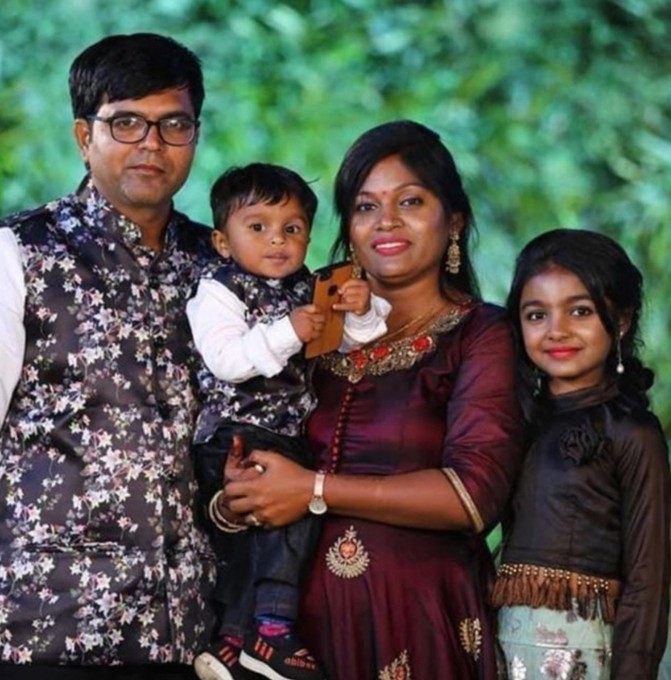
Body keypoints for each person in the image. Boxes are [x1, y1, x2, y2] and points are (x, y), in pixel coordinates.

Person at [0, 33, 217, 680]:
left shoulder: (218, 267)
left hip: (186, 634)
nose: (152, 144)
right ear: (85, 136)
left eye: (174, 125)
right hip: (40, 633)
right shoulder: (17, 254)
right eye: (126, 123)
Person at [214, 120, 525, 679]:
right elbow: (245, 443)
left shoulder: (479, 333)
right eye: (365, 207)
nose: (386, 221)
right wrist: (237, 501)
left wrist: (311, 490)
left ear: (454, 220)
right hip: (288, 642)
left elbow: (474, 496)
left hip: (417, 621)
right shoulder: (304, 327)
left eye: (410, 201)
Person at [186, 162, 389, 680]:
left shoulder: (307, 288)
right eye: (258, 227)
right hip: (233, 433)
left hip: (284, 435)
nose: (277, 240)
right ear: (223, 241)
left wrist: (360, 311)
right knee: (276, 527)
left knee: (272, 528)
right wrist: (288, 332)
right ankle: (272, 631)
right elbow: (227, 361)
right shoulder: (218, 289)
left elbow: (350, 343)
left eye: (292, 229)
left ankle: (232, 642)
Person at [491, 228, 671, 679]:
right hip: (504, 645)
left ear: (622, 319)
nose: (557, 331)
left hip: (585, 653)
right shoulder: (514, 421)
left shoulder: (632, 432)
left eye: (580, 311)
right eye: (537, 315)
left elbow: (648, 576)